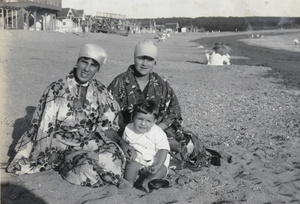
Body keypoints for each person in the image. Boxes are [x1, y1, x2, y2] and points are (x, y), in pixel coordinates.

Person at [6, 44, 131, 188]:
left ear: (98, 69)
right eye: (84, 62)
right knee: (85, 167)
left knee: (114, 155)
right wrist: (43, 156)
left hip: (90, 142)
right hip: (62, 145)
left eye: (93, 65)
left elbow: (107, 126)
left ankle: (104, 173)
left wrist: (121, 142)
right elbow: (44, 129)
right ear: (77, 62)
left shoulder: (101, 91)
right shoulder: (57, 89)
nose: (86, 68)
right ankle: (104, 175)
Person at [108, 40, 212, 171]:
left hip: (157, 131)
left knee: (191, 146)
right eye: (141, 58)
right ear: (135, 58)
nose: (144, 63)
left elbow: (174, 112)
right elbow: (107, 115)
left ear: (154, 62)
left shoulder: (161, 83)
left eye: (149, 59)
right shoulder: (120, 82)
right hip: (129, 135)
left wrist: (154, 131)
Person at [122, 99, 170, 192]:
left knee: (163, 170)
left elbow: (163, 150)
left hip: (153, 163)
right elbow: (126, 145)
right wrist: (128, 154)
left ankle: (148, 182)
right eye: (139, 119)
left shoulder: (158, 133)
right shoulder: (128, 129)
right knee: (131, 165)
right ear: (133, 117)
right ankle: (129, 182)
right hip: (137, 161)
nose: (143, 124)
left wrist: (157, 165)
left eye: (148, 121)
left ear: (154, 121)